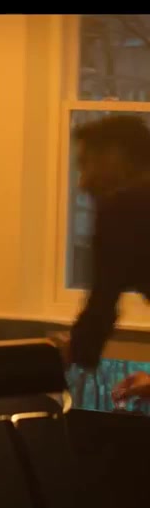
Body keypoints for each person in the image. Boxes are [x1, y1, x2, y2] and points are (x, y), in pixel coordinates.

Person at [63, 115, 150, 372]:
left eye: (85, 164)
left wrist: (71, 351)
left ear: (114, 156)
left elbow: (102, 303)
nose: (82, 183)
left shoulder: (123, 208)